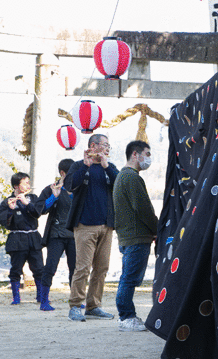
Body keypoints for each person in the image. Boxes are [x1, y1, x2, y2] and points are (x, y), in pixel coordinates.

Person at [64, 133, 118, 322]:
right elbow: (69, 185)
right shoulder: (79, 165)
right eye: (105, 144)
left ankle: (94, 305)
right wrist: (86, 165)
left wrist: (106, 166)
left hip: (107, 225)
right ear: (93, 146)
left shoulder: (109, 167)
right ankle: (76, 305)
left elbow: (120, 185)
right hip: (85, 224)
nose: (107, 148)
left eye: (108, 145)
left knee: (102, 268)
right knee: (83, 267)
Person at [113, 140, 158, 332]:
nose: (148, 158)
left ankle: (127, 315)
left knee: (128, 278)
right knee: (129, 279)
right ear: (135, 154)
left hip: (129, 236)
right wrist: (157, 228)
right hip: (136, 237)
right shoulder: (131, 177)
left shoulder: (124, 176)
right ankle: (126, 316)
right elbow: (143, 208)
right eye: (146, 154)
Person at [0, 172, 44, 305]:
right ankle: (16, 297)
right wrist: (10, 210)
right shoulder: (7, 201)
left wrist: (26, 203)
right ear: (16, 186)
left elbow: (38, 213)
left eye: (28, 182)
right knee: (16, 268)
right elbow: (1, 219)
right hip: (17, 238)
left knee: (39, 268)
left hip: (33, 236)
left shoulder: (33, 198)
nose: (28, 184)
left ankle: (41, 296)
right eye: (25, 182)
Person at [36, 158, 76, 311]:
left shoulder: (79, 189)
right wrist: (54, 196)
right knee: (50, 267)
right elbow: (41, 209)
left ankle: (76, 300)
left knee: (76, 269)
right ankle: (44, 301)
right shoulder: (51, 188)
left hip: (74, 235)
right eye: (71, 173)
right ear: (62, 173)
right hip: (56, 234)